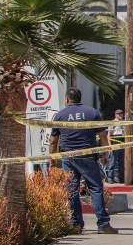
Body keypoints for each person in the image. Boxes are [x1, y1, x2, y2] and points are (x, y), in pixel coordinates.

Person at [49, 88, 117, 234]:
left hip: (68, 157)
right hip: (87, 155)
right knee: (95, 188)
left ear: (67, 100)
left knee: (72, 190)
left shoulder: (60, 115)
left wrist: (52, 159)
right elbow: (103, 135)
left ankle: (76, 225)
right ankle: (103, 225)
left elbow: (53, 141)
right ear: (80, 99)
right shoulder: (92, 113)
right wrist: (105, 153)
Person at [106, 109, 126, 184]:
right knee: (112, 161)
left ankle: (121, 178)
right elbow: (109, 134)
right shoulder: (113, 122)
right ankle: (110, 178)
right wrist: (110, 145)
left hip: (122, 141)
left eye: (121, 113)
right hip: (115, 141)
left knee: (121, 162)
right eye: (119, 114)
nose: (121, 115)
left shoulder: (124, 123)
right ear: (116, 115)